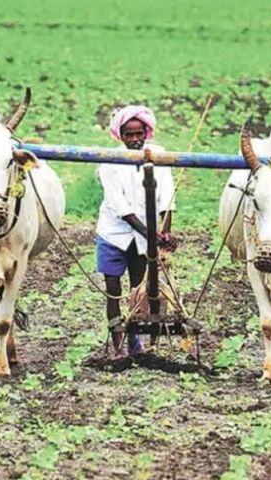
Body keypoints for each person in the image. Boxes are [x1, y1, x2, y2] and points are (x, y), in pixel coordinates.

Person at [95, 105, 177, 358]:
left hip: (144, 238)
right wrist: (149, 234)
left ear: (146, 132)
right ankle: (118, 345)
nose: (134, 139)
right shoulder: (109, 161)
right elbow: (118, 205)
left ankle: (137, 344)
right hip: (113, 234)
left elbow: (167, 197)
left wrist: (165, 232)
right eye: (128, 134)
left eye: (138, 133)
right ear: (120, 135)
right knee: (112, 290)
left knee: (138, 290)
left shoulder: (160, 156)